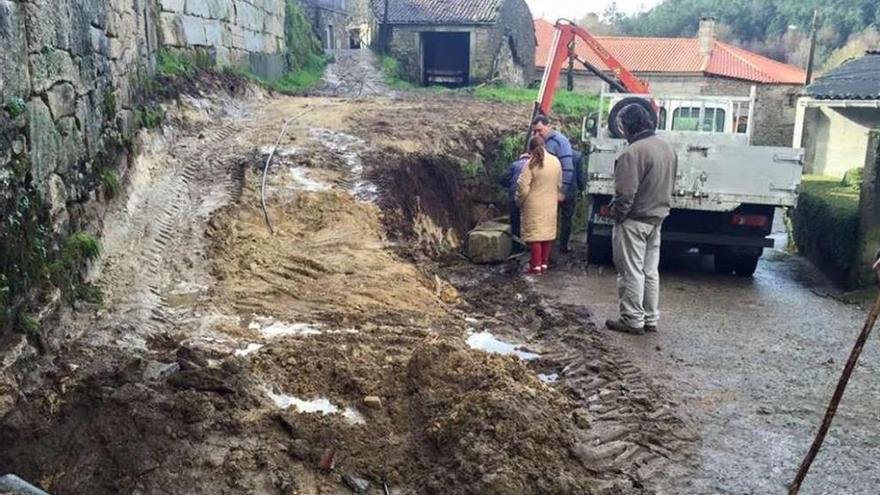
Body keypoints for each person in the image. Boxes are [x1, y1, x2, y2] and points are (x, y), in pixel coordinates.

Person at [605, 104, 677, 335]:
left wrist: (618, 216)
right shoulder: (667, 148)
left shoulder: (632, 153)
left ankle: (632, 319)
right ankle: (650, 318)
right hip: (657, 218)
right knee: (649, 271)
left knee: (630, 271)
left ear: (626, 126)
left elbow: (625, 194)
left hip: (634, 220)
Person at [516, 136, 563, 275]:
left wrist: (519, 200)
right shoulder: (556, 161)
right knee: (546, 234)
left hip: (533, 204)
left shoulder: (530, 164)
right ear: (544, 145)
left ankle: (535, 266)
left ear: (530, 149)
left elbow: (522, 187)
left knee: (535, 235)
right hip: (550, 203)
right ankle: (543, 264)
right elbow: (559, 183)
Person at [532, 116, 577, 253]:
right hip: (549, 189)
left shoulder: (560, 142)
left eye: (539, 131)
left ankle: (562, 247)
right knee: (548, 220)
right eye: (535, 131)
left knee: (565, 218)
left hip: (564, 188)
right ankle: (548, 250)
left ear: (548, 126)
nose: (537, 134)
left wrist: (562, 191)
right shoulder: (541, 142)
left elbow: (568, 167)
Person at [498, 154, 529, 239]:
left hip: (514, 196)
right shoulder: (534, 165)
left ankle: (516, 245)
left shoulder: (515, 164)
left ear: (520, 158)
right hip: (529, 198)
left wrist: (510, 185)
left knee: (515, 222)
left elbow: (502, 179)